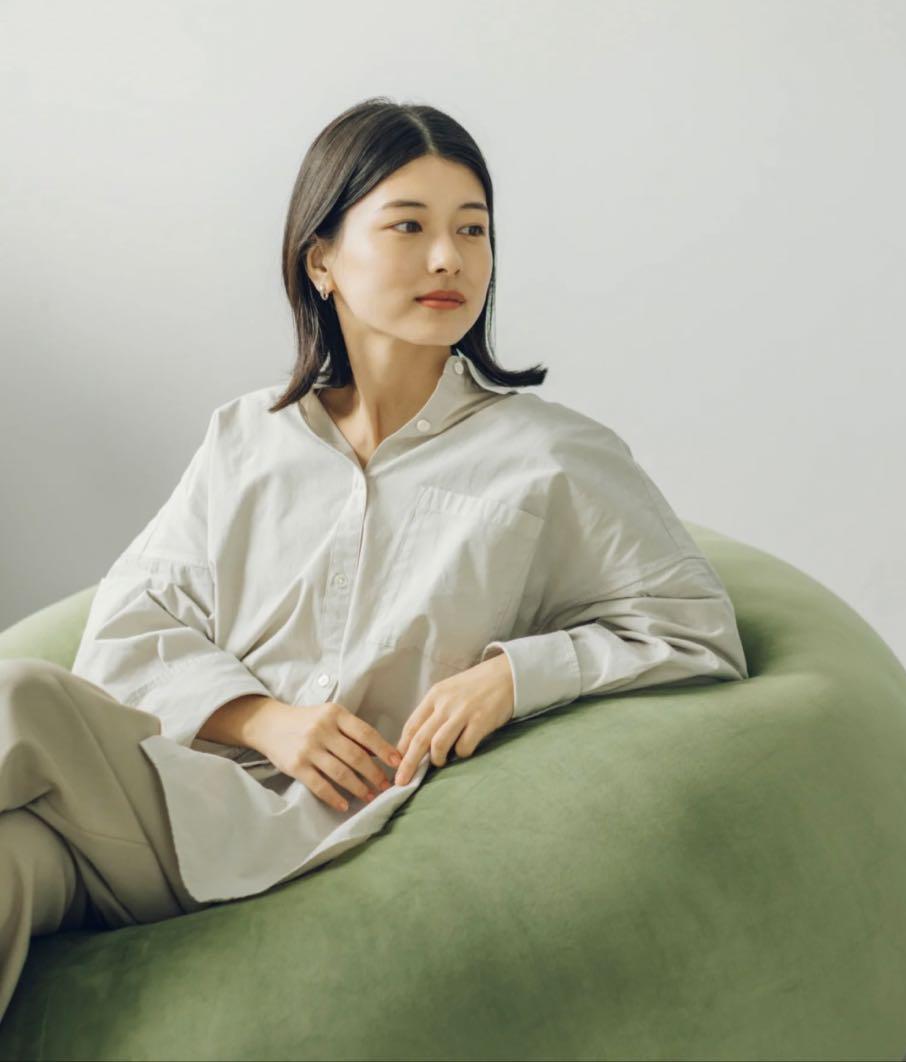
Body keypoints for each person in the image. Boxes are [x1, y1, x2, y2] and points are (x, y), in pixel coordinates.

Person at [0, 96, 749, 1022]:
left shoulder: (554, 457)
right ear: (321, 259)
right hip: (164, 798)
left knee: (14, 697)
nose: (449, 259)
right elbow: (126, 626)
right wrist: (267, 721)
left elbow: (695, 629)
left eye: (472, 229)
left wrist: (513, 676)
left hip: (314, 831)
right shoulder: (248, 436)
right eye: (409, 226)